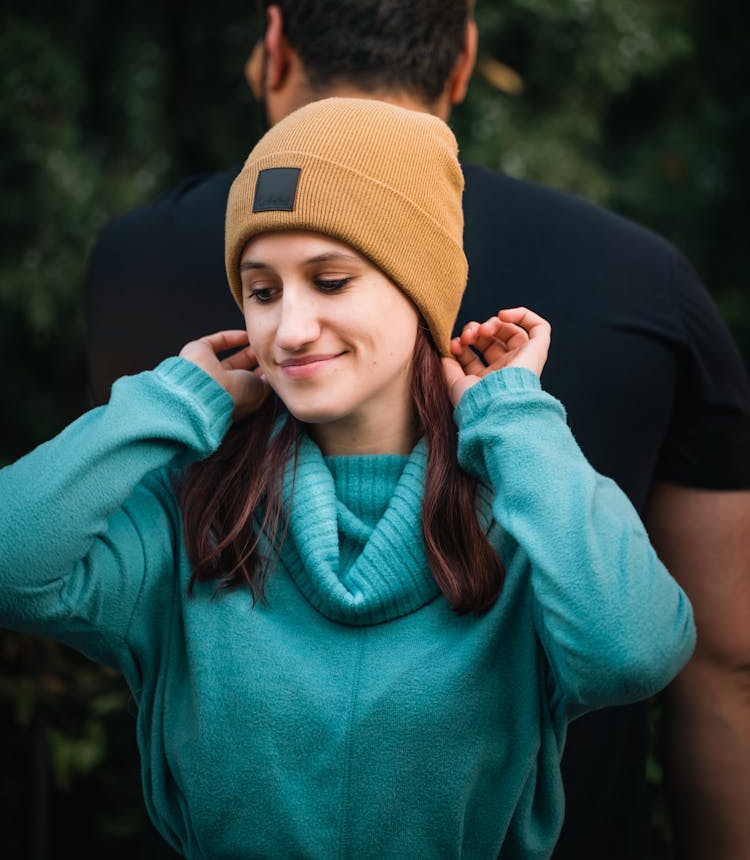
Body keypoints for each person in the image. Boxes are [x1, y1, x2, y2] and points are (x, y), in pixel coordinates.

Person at [84, 0, 750, 859]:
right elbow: (723, 665)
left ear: (274, 45)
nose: (290, 328)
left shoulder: (136, 261)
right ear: (464, 57)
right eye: (263, 293)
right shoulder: (644, 280)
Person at [0, 97, 694, 859]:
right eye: (262, 291)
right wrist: (171, 399)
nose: (288, 329)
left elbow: (634, 654)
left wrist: (516, 419)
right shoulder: (195, 512)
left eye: (331, 280)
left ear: (420, 288)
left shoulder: (528, 516)